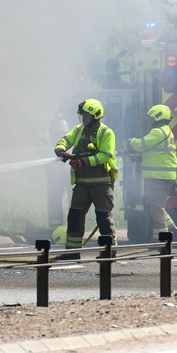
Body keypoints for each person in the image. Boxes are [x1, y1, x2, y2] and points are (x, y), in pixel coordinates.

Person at [53, 98, 119, 257]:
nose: (83, 119)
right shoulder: (79, 129)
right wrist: (60, 149)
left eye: (86, 116)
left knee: (103, 218)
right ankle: (72, 252)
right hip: (82, 184)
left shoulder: (106, 133)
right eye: (82, 116)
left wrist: (82, 161)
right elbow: (65, 139)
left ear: (95, 116)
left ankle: (109, 252)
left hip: (101, 184)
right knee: (74, 217)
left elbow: (105, 155)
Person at [129, 104, 177, 241]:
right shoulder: (166, 131)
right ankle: (170, 226)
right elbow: (155, 152)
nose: (149, 121)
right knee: (154, 204)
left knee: (156, 208)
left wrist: (131, 141)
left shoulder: (158, 132)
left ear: (157, 118)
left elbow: (142, 145)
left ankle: (161, 240)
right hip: (160, 177)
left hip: (158, 177)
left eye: (151, 118)